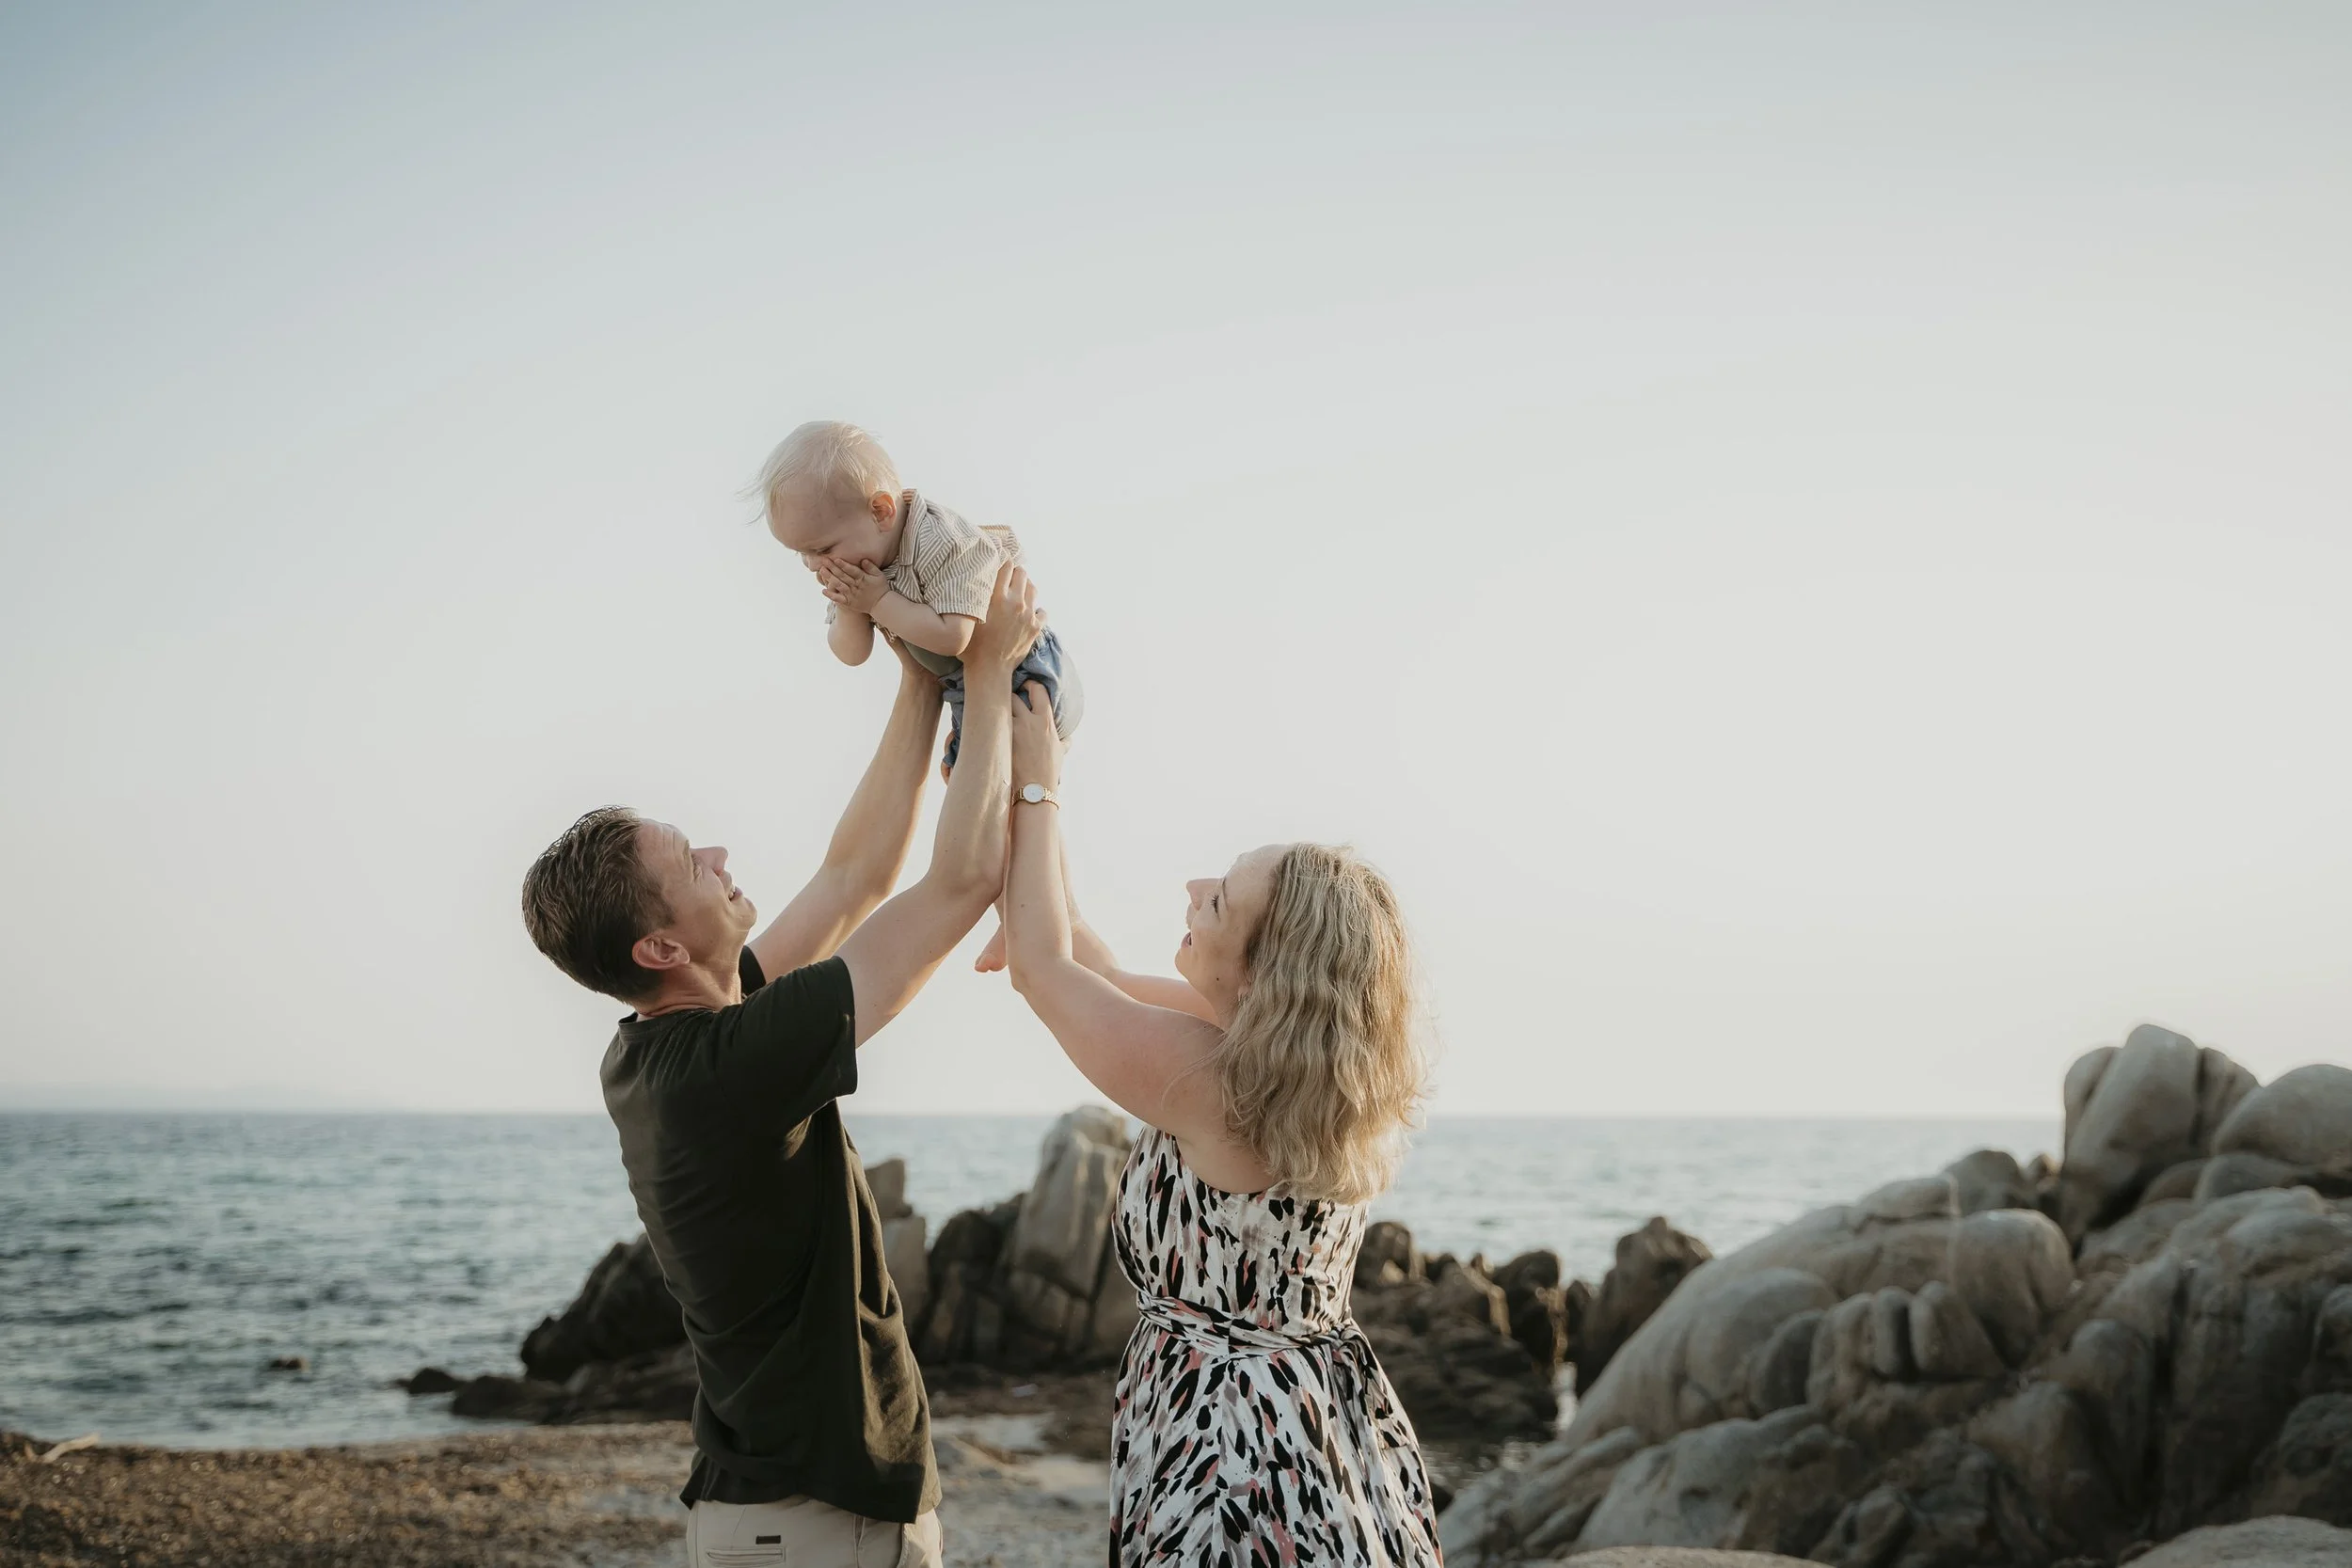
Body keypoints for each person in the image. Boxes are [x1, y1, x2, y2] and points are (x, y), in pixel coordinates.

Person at [518, 565, 1044, 1568]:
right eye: (690, 865)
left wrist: (919, 674)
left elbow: (855, 878)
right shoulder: (725, 1065)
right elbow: (962, 882)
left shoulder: (673, 1044)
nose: (719, 853)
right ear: (660, 949)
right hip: (817, 1520)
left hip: (782, 1515)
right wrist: (986, 673)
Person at [994, 688, 1444, 1565]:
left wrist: (1038, 790)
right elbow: (1089, 959)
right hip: (1308, 1421)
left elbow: (1044, 969)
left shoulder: (1211, 1082)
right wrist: (1037, 783)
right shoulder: (1298, 1076)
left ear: (1262, 974)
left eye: (1220, 902)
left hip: (1227, 1448)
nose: (1193, 890)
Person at [756, 419, 1082, 780]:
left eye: (821, 548)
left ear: (881, 511)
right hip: (970, 687)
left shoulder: (942, 539)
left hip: (1028, 672)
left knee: (999, 786)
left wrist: (879, 602)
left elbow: (954, 637)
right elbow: (852, 654)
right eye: (801, 553)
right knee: (973, 792)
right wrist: (851, 608)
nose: (813, 564)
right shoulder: (858, 565)